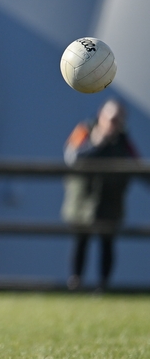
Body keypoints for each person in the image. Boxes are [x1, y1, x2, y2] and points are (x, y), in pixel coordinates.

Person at [61, 98, 139, 291]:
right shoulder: (84, 131)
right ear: (101, 115)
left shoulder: (123, 140)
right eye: (111, 119)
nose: (114, 123)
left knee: (107, 244)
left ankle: (103, 286)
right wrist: (97, 145)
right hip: (82, 201)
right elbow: (71, 157)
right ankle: (75, 282)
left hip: (110, 202)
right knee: (81, 242)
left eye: (118, 119)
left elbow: (137, 164)